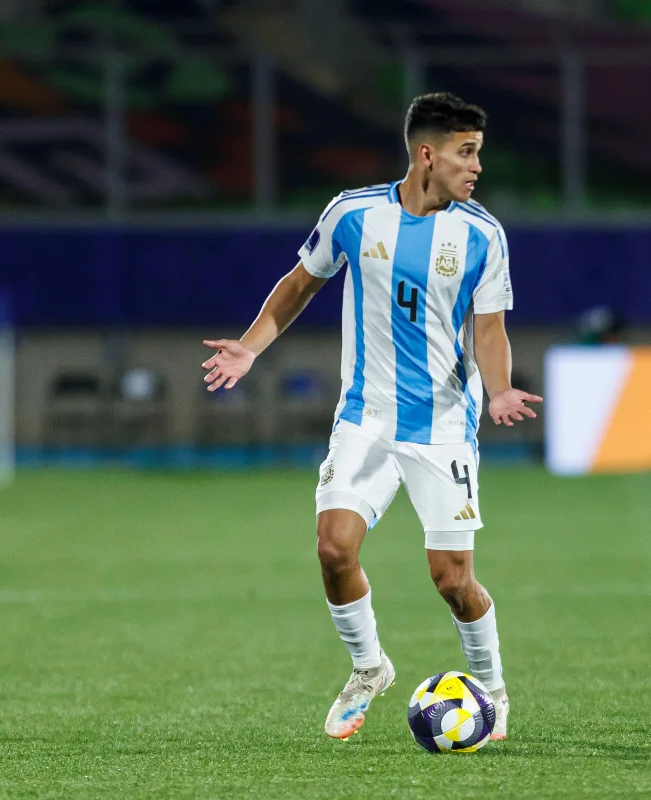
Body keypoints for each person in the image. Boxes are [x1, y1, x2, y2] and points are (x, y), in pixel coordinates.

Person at [199, 93, 540, 742]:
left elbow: (490, 327)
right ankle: (369, 668)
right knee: (333, 548)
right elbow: (300, 283)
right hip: (366, 416)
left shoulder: (481, 234)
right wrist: (249, 347)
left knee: (452, 579)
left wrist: (498, 390)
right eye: (467, 153)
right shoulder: (353, 214)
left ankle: (491, 687)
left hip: (443, 425)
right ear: (427, 154)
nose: (477, 167)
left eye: (479, 154)